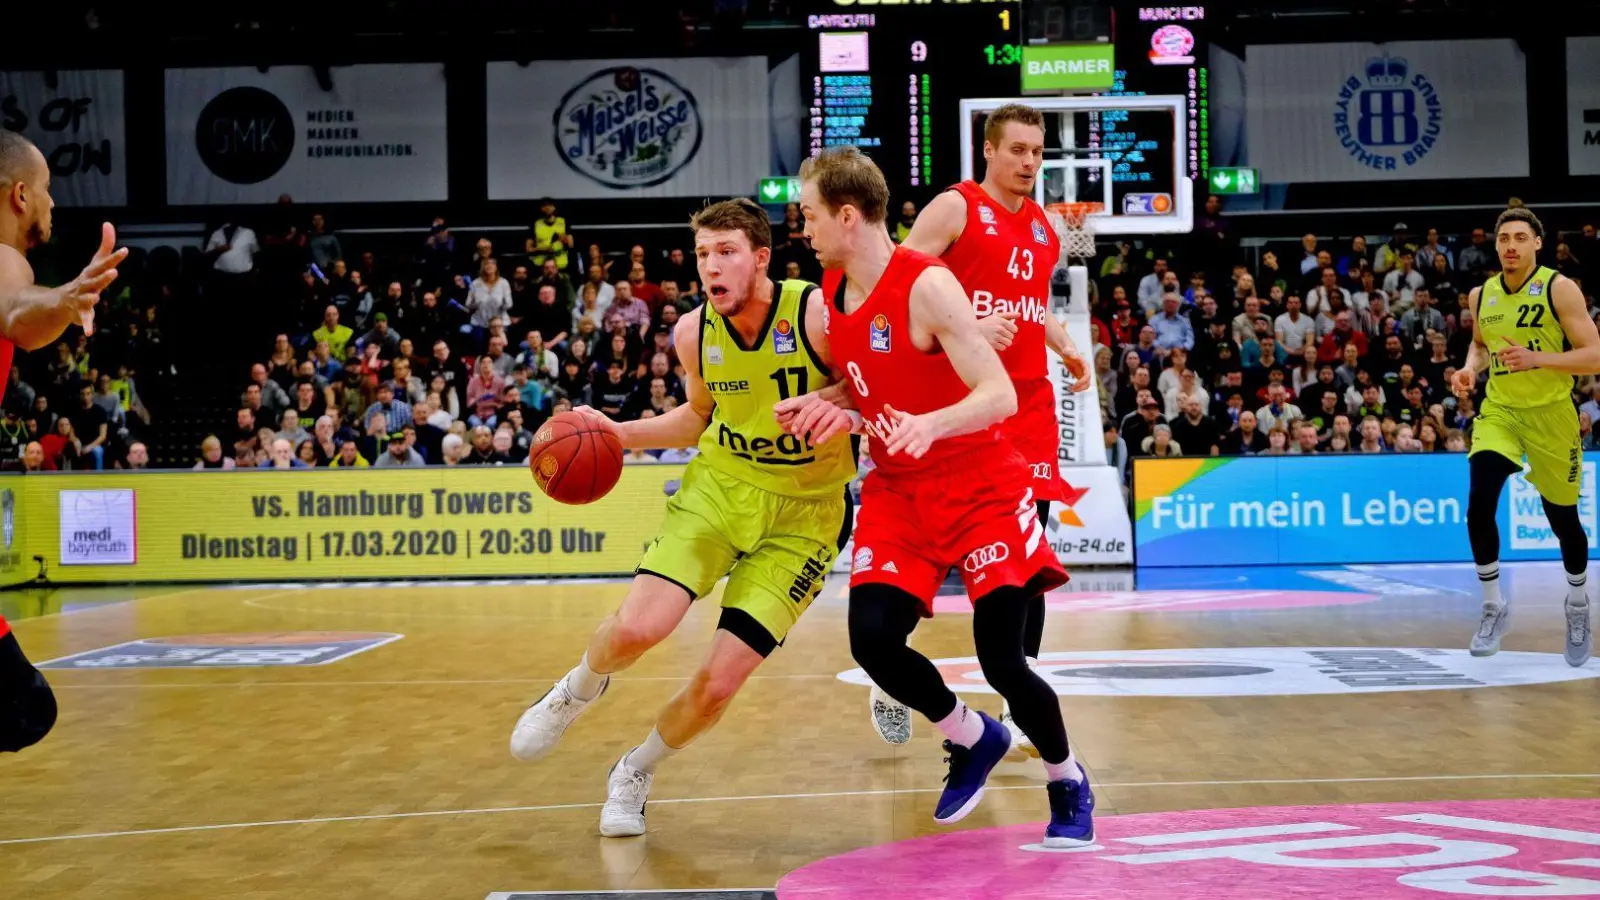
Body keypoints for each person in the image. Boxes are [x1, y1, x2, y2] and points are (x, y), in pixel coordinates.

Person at [509, 198, 857, 837]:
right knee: (639, 629)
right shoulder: (694, 332)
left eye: (725, 252)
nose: (711, 267)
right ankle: (575, 689)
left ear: (760, 257)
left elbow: (871, 387)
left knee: (718, 685)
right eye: (702, 254)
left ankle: (635, 770)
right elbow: (697, 417)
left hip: (806, 516)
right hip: (720, 491)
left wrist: (831, 400)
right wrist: (614, 432)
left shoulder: (814, 313)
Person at [776, 146, 1093, 847]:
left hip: (980, 481)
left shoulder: (929, 286)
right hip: (899, 488)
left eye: (810, 214)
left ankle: (1067, 779)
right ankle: (970, 734)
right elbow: (870, 385)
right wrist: (828, 405)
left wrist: (930, 423)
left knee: (1003, 661)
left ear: (848, 216)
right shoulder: (831, 292)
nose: (803, 227)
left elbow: (998, 394)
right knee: (873, 641)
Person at [846, 103, 1093, 756]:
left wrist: (1067, 346)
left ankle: (1018, 707)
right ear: (989, 150)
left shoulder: (1044, 230)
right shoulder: (955, 209)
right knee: (926, 556)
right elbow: (894, 282)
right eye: (1017, 150)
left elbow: (1031, 310)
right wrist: (964, 329)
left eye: (1038, 153)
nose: (1029, 163)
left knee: (1027, 560)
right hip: (955, 405)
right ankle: (892, 672)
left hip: (1026, 409)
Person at [0, 131, 125, 752]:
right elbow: (18, 309)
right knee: (22, 707)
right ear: (20, 195)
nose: (53, 206)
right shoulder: (4, 257)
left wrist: (59, 304)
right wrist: (66, 294)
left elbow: (25, 327)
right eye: (48, 191)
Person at [1452, 207, 1597, 666]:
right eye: (1503, 239)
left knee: (1564, 522)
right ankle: (1493, 604)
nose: (1510, 246)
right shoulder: (1482, 294)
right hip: (1501, 410)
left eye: (1520, 237)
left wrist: (1540, 360)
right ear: (1495, 246)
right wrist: (1468, 370)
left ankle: (1577, 605)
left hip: (1553, 417)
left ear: (1538, 242)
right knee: (1479, 499)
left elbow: (1594, 356)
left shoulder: (1559, 288)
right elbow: (1479, 345)